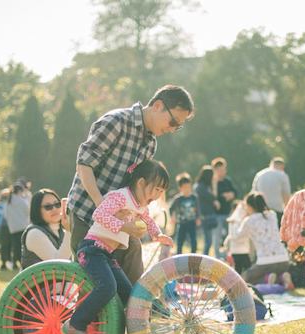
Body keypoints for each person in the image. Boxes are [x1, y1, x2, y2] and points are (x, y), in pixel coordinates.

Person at [67, 85, 193, 285]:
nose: (172, 129)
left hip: (122, 219)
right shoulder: (116, 122)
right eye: (173, 121)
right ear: (158, 106)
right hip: (87, 212)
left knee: (131, 271)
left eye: (177, 126)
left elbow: (135, 189)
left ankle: (137, 313)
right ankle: (87, 317)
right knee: (92, 283)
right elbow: (84, 164)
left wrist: (144, 221)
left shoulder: (150, 143)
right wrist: (103, 206)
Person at [61, 160, 173, 334]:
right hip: (92, 249)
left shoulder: (140, 205)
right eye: (156, 189)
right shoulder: (119, 196)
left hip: (106, 255)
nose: (158, 195)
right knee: (107, 287)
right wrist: (125, 226)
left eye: (161, 191)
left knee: (130, 295)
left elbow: (147, 219)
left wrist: (157, 234)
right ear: (141, 183)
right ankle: (75, 325)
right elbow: (99, 214)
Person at [224, 192, 292, 288]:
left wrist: (236, 219)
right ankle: (282, 277)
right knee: (274, 270)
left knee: (244, 280)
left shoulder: (249, 221)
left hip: (265, 262)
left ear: (250, 206)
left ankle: (268, 279)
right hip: (284, 260)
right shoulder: (272, 215)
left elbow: (236, 236)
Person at [21, 189, 71, 269]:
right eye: (48, 207)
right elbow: (58, 265)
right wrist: (69, 231)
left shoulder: (62, 232)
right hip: (37, 281)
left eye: (57, 204)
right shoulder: (34, 234)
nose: (54, 209)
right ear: (37, 210)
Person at [252, 157, 291, 226]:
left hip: (261, 211)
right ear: (282, 166)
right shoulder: (282, 175)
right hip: (277, 210)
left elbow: (253, 193)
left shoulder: (259, 174)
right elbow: (286, 195)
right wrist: (287, 212)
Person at [211, 157, 237, 258]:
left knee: (228, 236)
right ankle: (217, 257)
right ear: (215, 170)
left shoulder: (227, 181)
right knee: (217, 237)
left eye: (224, 169)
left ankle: (227, 256)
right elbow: (213, 196)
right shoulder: (213, 182)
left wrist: (231, 194)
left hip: (228, 213)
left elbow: (235, 191)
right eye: (220, 169)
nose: (223, 171)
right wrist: (223, 195)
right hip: (217, 214)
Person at [169, 172, 200, 254]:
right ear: (180, 188)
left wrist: (198, 218)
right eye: (185, 187)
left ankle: (194, 255)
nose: (187, 189)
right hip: (181, 223)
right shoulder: (178, 199)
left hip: (192, 222)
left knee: (193, 240)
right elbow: (171, 209)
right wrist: (173, 217)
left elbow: (197, 208)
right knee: (180, 240)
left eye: (189, 187)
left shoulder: (194, 198)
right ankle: (179, 255)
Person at [5, 182, 31, 269]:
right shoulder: (21, 200)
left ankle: (14, 262)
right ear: (19, 191)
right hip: (22, 226)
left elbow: (5, 215)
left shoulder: (9, 201)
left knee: (15, 246)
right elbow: (28, 211)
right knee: (22, 246)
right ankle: (21, 262)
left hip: (13, 227)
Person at [194, 165, 219, 255]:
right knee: (208, 242)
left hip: (207, 215)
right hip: (205, 216)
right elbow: (212, 197)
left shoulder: (203, 186)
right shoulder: (200, 187)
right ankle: (204, 259)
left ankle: (204, 257)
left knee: (208, 241)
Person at [224, 201, 252, 275]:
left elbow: (231, 236)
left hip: (237, 250)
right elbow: (236, 236)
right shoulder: (238, 222)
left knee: (238, 269)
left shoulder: (233, 221)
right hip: (242, 251)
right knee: (246, 268)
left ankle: (237, 284)